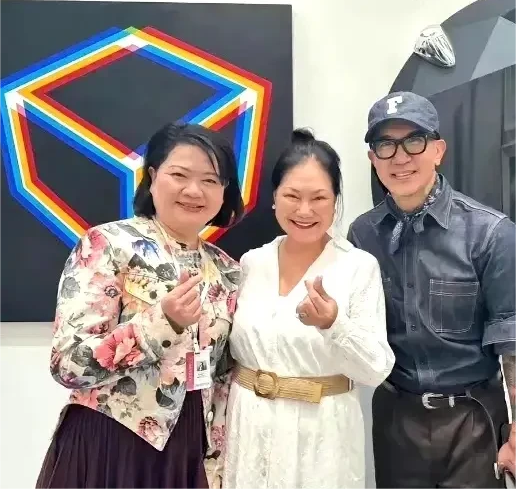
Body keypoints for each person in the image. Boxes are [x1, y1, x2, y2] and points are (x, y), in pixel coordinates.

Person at [36, 123, 244, 489]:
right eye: (179, 175)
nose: (194, 190)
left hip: (188, 451)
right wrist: (160, 324)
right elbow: (67, 364)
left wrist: (216, 459)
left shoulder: (228, 270)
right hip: (109, 442)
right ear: (152, 176)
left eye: (210, 180)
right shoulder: (108, 245)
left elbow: (223, 376)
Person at [347, 91, 516, 489]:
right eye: (385, 145)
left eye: (414, 141)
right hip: (396, 418)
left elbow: (512, 343)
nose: (400, 157)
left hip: (473, 419)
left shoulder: (491, 233)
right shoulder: (362, 235)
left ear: (438, 150)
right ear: (373, 159)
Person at [223, 129, 395, 489]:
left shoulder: (357, 267)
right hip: (248, 428)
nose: (304, 210)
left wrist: (334, 324)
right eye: (292, 196)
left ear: (335, 201)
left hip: (321, 439)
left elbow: (375, 369)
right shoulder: (252, 263)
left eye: (319, 197)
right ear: (274, 198)